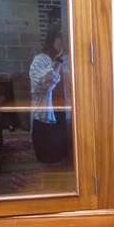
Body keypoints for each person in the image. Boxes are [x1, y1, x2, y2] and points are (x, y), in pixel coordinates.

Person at [29, 23, 70, 163]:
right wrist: (58, 61)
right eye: (61, 37)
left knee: (65, 158)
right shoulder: (40, 60)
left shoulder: (69, 59)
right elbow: (44, 86)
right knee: (48, 161)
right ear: (52, 39)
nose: (64, 41)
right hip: (46, 118)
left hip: (64, 113)